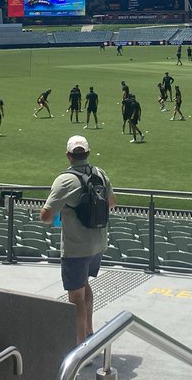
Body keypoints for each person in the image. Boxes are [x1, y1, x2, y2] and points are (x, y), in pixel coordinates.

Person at [41, 135, 114, 345]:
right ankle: (89, 333)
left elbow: (46, 217)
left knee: (76, 298)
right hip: (98, 243)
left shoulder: (64, 180)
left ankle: (81, 347)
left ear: (68, 155)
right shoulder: (100, 173)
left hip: (76, 248)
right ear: (88, 153)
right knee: (83, 286)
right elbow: (111, 203)